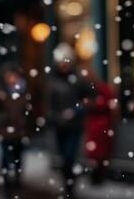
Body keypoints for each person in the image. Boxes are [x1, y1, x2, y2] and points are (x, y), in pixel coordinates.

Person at [46, 43, 93, 199]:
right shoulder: (52, 81)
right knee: (64, 158)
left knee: (70, 157)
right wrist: (58, 116)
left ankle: (70, 187)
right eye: (61, 62)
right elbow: (49, 107)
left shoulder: (78, 80)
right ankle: (68, 183)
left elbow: (88, 99)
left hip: (75, 126)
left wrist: (76, 110)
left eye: (66, 62)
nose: (64, 65)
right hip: (60, 127)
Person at [0, 63, 29, 198]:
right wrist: (3, 117)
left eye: (14, 76)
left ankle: (17, 183)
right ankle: (7, 188)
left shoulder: (24, 92)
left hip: (19, 132)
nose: (12, 78)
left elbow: (30, 111)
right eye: (9, 76)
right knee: (5, 160)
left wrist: (25, 120)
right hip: (5, 133)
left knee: (18, 159)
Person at [82, 64, 118, 185]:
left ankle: (98, 176)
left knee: (99, 154)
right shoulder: (93, 88)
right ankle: (97, 176)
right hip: (96, 126)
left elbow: (109, 104)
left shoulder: (101, 89)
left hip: (101, 125)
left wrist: (94, 104)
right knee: (96, 154)